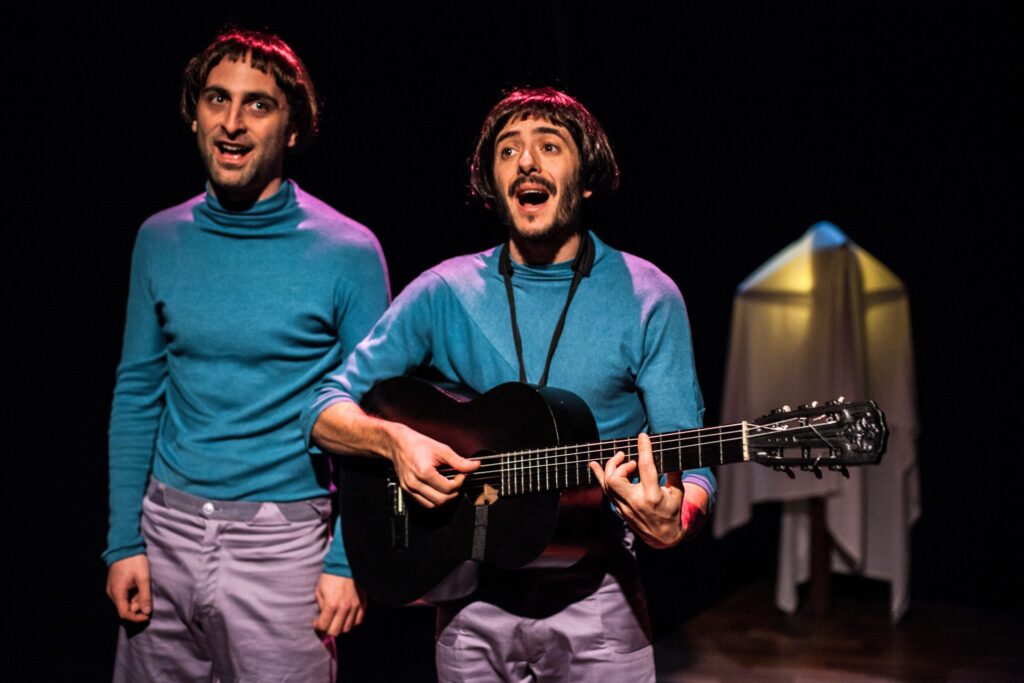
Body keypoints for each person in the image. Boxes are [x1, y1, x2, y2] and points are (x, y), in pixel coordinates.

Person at [306, 87, 716, 681]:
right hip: (469, 602)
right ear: (492, 183)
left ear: (587, 177)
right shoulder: (445, 291)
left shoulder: (649, 296)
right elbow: (324, 408)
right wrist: (396, 443)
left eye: (549, 146)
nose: (526, 162)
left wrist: (675, 520)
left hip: (599, 601)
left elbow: (693, 462)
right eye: (508, 150)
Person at [103, 29, 389, 681]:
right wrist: (123, 541)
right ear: (194, 114)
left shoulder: (348, 252)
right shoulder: (159, 239)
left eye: (258, 105)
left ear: (294, 128)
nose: (231, 123)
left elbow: (376, 420)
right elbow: (138, 392)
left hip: (283, 547)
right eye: (217, 99)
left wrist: (347, 557)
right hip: (165, 531)